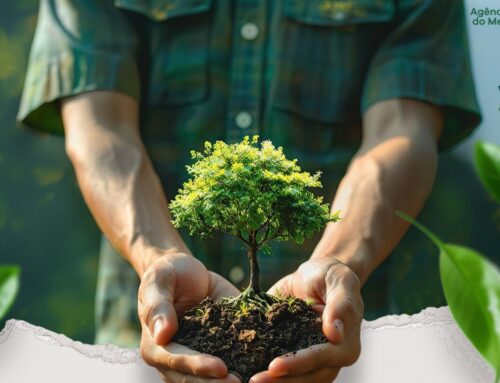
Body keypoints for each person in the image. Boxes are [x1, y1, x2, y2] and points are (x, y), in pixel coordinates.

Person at [18, 1, 480, 382]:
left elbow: (402, 129)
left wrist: (339, 261)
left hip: (333, 353)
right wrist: (156, 257)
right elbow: (101, 128)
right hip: (143, 354)